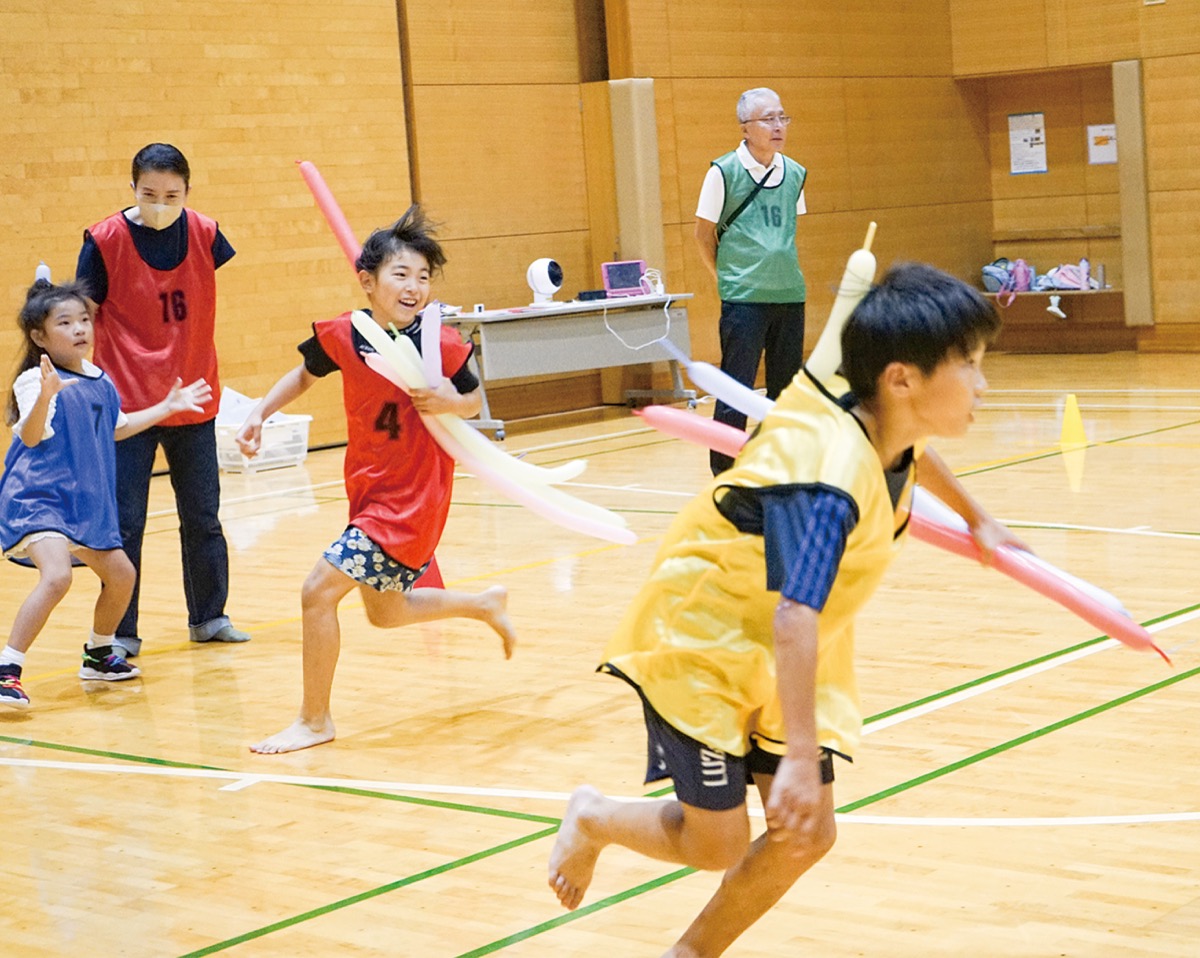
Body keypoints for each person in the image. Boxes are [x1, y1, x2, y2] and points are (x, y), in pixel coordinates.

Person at [548, 264, 1025, 956]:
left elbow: (913, 454)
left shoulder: (887, 416)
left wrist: (978, 517)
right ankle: (593, 817)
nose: (983, 383)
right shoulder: (826, 484)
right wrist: (800, 756)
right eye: (971, 365)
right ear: (902, 379)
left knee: (806, 834)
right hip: (705, 641)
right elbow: (794, 613)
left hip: (789, 654)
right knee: (716, 843)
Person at [236, 206, 517, 754]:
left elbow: (474, 400)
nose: (414, 287)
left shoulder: (440, 344)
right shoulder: (346, 334)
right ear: (367, 281)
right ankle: (483, 604)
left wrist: (449, 400)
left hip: (413, 499)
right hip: (368, 490)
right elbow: (305, 374)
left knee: (317, 592)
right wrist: (259, 412)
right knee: (385, 612)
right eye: (400, 274)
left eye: (423, 277)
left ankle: (314, 720)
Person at [0, 273, 211, 709]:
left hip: (82, 503)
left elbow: (118, 428)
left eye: (83, 319)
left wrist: (166, 407)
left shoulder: (99, 379)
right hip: (38, 498)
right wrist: (45, 396)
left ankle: (98, 654)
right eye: (64, 323)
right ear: (39, 336)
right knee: (57, 576)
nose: (79, 329)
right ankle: (7, 669)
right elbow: (32, 437)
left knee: (121, 575)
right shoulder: (35, 380)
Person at [74, 142, 248, 659]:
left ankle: (210, 617)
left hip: (192, 395)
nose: (160, 204)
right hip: (128, 405)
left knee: (203, 516)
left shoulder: (207, 233)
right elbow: (82, 316)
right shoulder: (103, 240)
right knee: (125, 524)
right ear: (132, 188)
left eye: (172, 195)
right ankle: (119, 631)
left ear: (188, 191)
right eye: (149, 194)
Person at [695, 87, 809, 476]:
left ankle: (780, 468)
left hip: (789, 295)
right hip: (744, 299)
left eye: (782, 118)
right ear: (745, 127)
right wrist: (726, 279)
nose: (778, 126)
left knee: (786, 392)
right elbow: (703, 235)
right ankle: (725, 474)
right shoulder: (722, 172)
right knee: (736, 390)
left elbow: (787, 232)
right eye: (768, 119)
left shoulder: (795, 173)